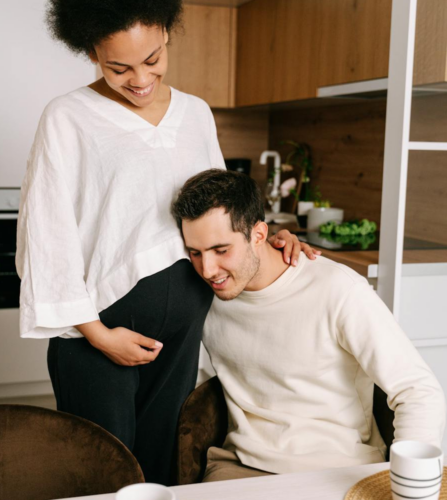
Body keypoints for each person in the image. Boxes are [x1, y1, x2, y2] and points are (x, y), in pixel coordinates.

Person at [15, 0, 318, 485]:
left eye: (152, 59)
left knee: (163, 467)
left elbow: (222, 204)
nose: (139, 79)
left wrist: (266, 235)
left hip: (181, 332)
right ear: (91, 51)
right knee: (102, 471)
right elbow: (48, 233)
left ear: (167, 37)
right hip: (99, 332)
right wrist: (97, 335)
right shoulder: (68, 117)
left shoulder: (195, 113)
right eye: (119, 67)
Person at [172, 169, 446, 482]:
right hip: (241, 467)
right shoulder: (202, 297)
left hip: (340, 468)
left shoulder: (337, 290)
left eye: (221, 250)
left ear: (259, 235)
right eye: (195, 253)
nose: (208, 269)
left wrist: (408, 483)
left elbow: (418, 390)